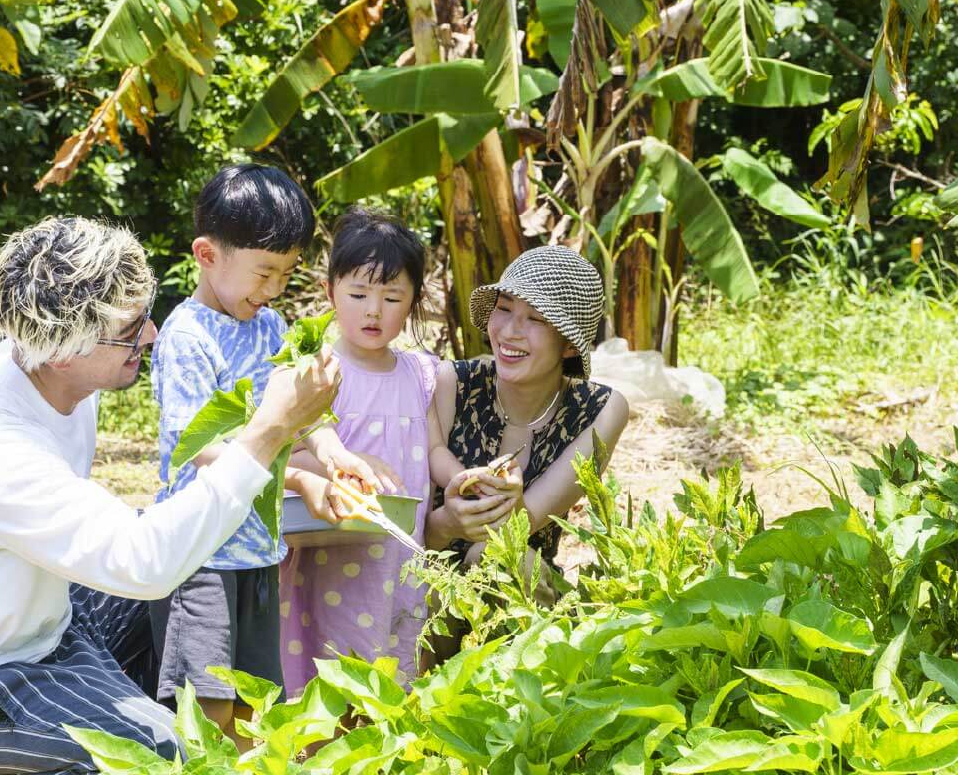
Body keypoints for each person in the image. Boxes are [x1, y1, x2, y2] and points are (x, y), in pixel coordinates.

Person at [0, 215, 341, 775]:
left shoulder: (65, 381)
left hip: (38, 628)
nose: (151, 336)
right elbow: (144, 562)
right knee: (156, 757)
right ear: (62, 350)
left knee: (190, 582)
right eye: (131, 329)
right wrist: (267, 432)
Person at [148, 166, 382, 743]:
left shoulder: (271, 326)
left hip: (256, 551)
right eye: (264, 272)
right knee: (208, 710)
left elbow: (301, 419)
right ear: (207, 254)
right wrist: (301, 484)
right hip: (198, 553)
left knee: (257, 706)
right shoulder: (187, 337)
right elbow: (196, 447)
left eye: (285, 273)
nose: (274, 289)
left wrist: (332, 453)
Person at [279, 207, 449, 693]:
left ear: (413, 301)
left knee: (395, 670)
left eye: (392, 297)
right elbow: (284, 455)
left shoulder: (420, 374)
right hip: (332, 552)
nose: (374, 311)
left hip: (402, 558)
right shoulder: (319, 371)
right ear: (330, 292)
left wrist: (460, 477)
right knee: (332, 670)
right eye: (358, 294)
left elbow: (434, 448)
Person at [424, 247, 630, 572]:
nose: (509, 331)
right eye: (504, 308)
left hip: (524, 600)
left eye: (535, 318)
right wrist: (445, 524)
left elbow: (515, 529)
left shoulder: (599, 410)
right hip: (425, 584)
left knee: (495, 557)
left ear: (569, 345)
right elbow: (412, 537)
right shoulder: (452, 382)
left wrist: (506, 499)